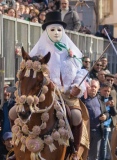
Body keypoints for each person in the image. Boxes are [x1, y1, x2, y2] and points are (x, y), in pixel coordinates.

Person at [28, 11, 87, 159]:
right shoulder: (38, 52)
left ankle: (74, 149)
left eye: (59, 30)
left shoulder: (70, 50)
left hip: (67, 95)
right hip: (44, 95)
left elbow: (81, 72)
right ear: (46, 31)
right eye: (52, 29)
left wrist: (78, 87)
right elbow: (31, 75)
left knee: (76, 116)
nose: (56, 33)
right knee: (15, 113)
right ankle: (20, 148)